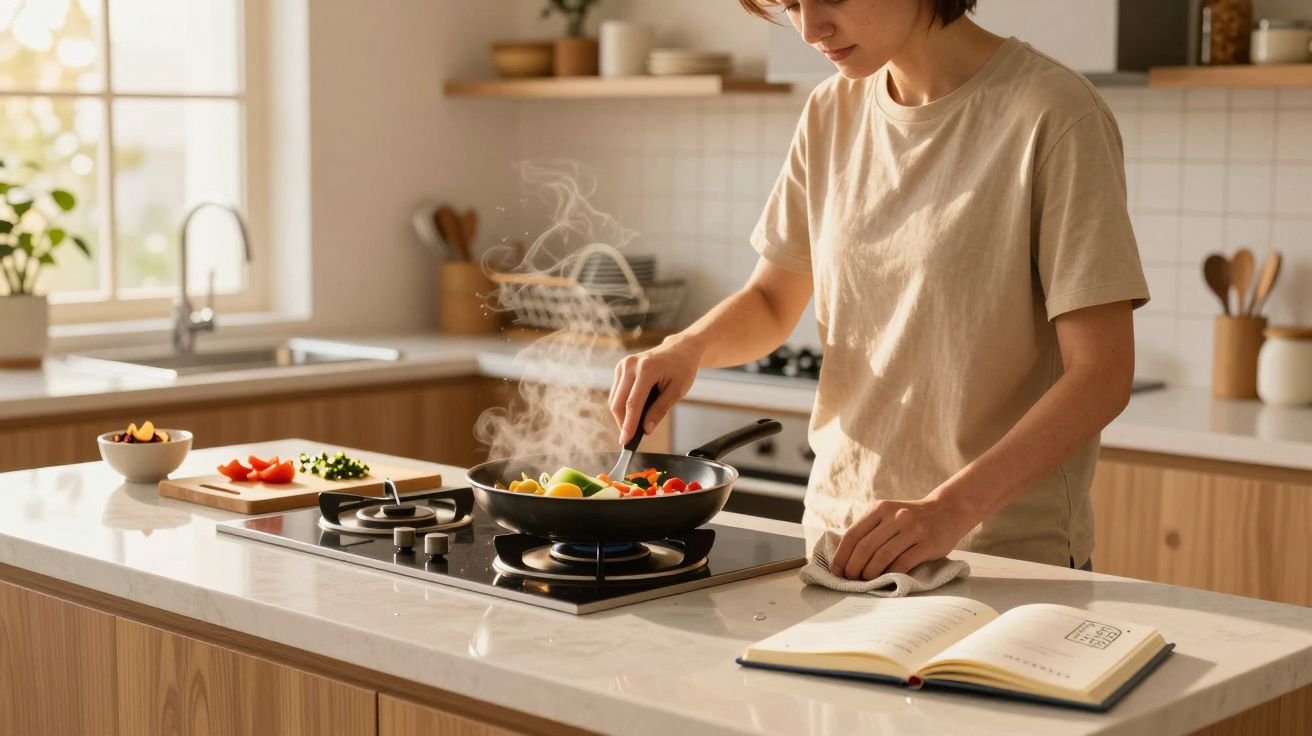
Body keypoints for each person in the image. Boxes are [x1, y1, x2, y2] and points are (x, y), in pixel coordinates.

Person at [608, 0, 1149, 580]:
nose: (811, 29)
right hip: (839, 544)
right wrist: (685, 348)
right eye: (790, 4)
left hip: (997, 557)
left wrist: (948, 511)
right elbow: (770, 302)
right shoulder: (829, 112)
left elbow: (1100, 375)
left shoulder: (1053, 113)